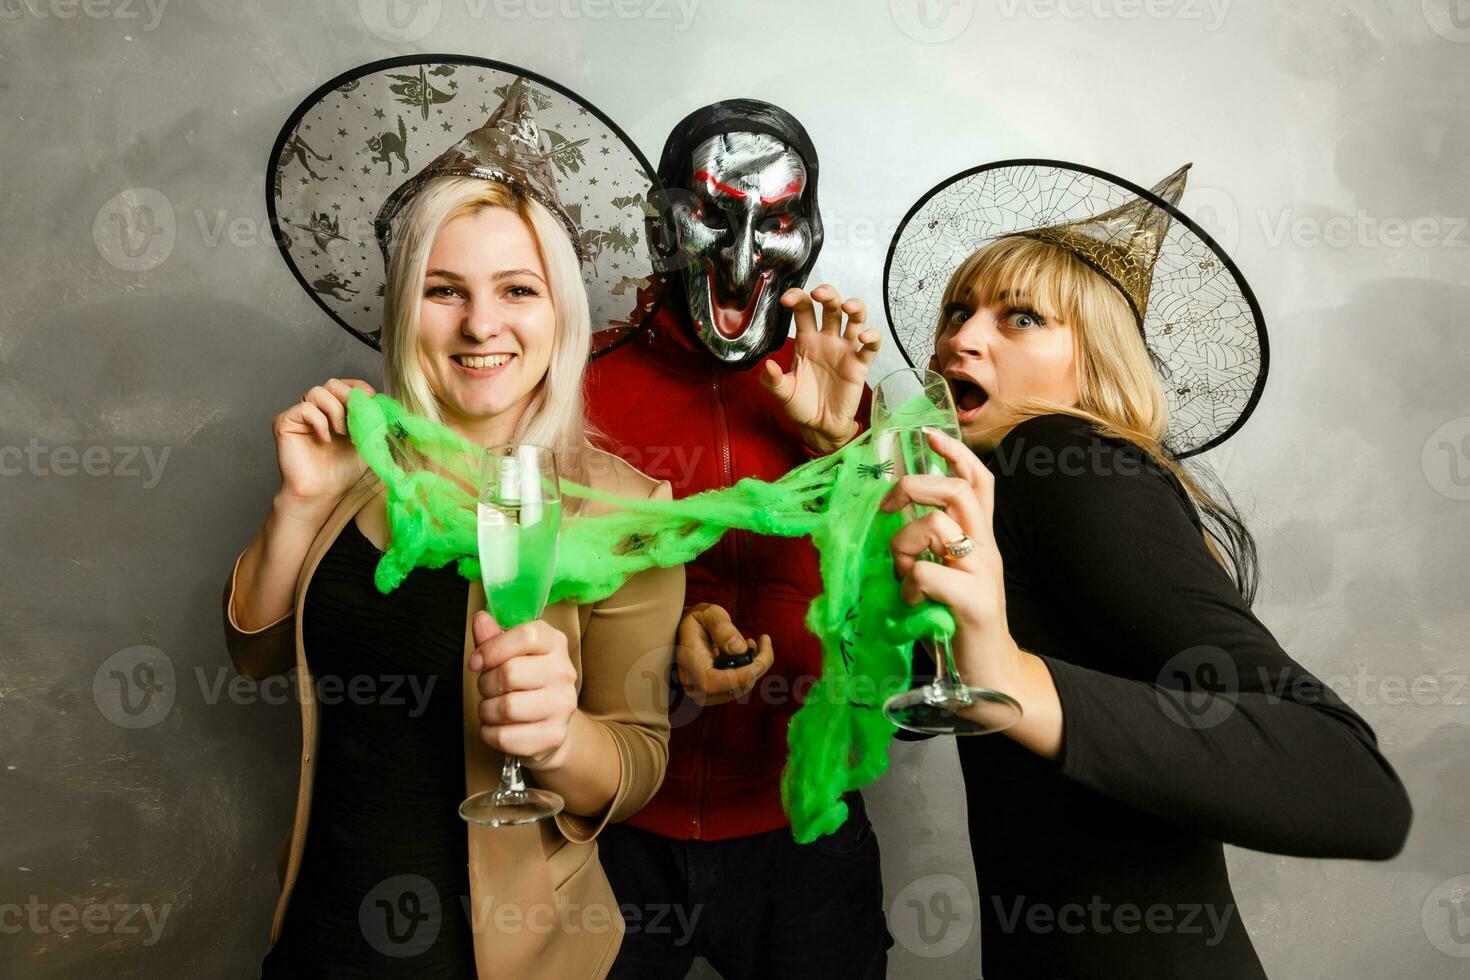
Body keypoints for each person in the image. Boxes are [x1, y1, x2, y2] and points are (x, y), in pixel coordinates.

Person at [880, 160, 1413, 977]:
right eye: (959, 309)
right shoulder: (998, 494)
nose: (960, 337)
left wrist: (1015, 679)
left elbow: (1353, 787)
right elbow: (897, 708)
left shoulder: (1065, 459)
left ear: (1092, 366)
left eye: (1020, 318)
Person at [227, 60, 685, 978]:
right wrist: (299, 503)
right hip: (321, 933)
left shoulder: (626, 510)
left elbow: (636, 764)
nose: (482, 325)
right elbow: (257, 655)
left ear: (560, 312)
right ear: (407, 309)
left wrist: (560, 738)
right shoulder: (360, 464)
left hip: (507, 958)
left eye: (517, 290)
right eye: (445, 290)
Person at [584, 100, 891, 978]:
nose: (745, 255)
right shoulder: (574, 384)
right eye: (715, 217)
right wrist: (660, 628)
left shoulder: (839, 389)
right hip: (615, 829)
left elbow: (882, 629)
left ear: (814, 233)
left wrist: (842, 451)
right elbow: (522, 598)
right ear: (660, 223)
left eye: (780, 222)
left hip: (803, 834)